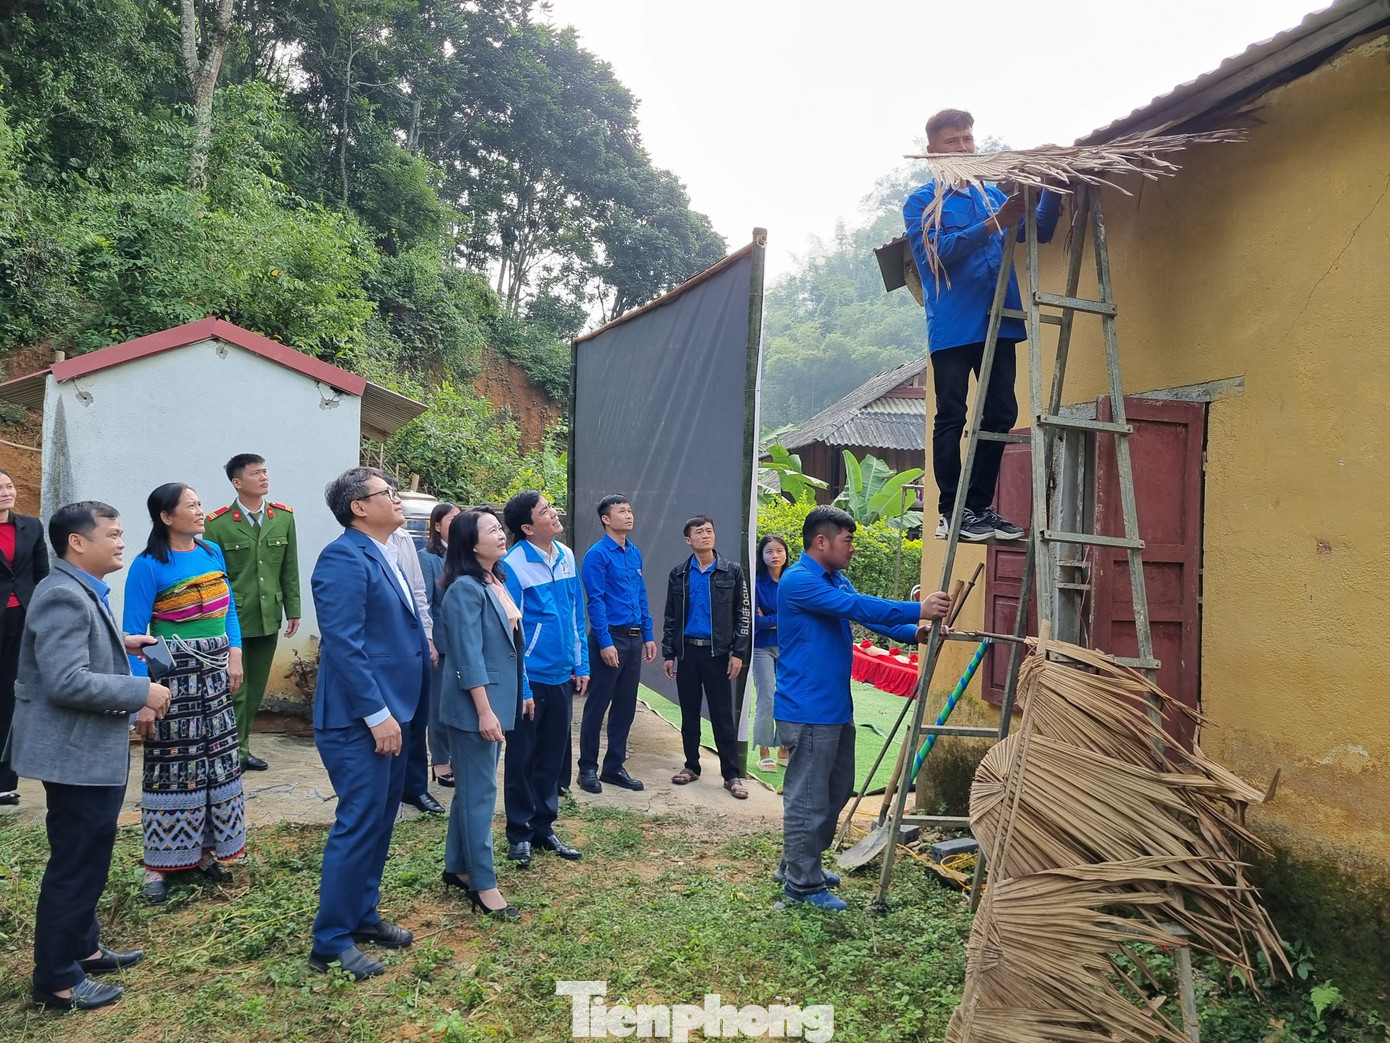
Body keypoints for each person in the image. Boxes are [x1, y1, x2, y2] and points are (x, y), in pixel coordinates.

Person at [9, 501, 170, 1010]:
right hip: (74, 753)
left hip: (88, 750)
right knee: (76, 863)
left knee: (91, 854)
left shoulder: (79, 590)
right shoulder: (63, 595)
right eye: (113, 533)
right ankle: (56, 978)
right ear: (77, 542)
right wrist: (138, 688)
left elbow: (74, 653)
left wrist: (122, 645)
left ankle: (83, 948)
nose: (122, 541)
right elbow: (64, 680)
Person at [776, 506, 952, 910]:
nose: (853, 548)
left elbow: (876, 621)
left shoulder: (836, 579)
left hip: (834, 707)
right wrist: (919, 607)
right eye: (848, 540)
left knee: (835, 789)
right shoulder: (799, 581)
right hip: (807, 710)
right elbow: (860, 609)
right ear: (821, 541)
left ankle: (799, 864)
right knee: (807, 798)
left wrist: (916, 632)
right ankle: (801, 885)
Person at [903, 107, 1061, 542]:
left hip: (1001, 318)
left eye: (968, 139)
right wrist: (996, 223)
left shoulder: (990, 195)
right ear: (932, 151)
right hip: (955, 325)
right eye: (953, 141)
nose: (963, 147)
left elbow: (1039, 230)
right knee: (952, 414)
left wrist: (1051, 184)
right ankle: (951, 511)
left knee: (1002, 413)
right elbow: (938, 253)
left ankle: (978, 508)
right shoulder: (921, 202)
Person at [309, 467, 428, 980]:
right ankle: (330, 940)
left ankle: (361, 914)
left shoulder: (386, 552)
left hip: (395, 712)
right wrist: (377, 714)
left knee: (380, 822)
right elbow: (345, 643)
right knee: (358, 823)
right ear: (359, 507)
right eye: (387, 493)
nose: (396, 499)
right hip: (362, 719)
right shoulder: (342, 557)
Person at [123, 483, 247, 905]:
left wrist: (235, 653)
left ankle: (204, 852)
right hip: (171, 678)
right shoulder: (147, 566)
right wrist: (144, 693)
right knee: (171, 764)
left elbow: (228, 610)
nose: (200, 511)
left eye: (199, 503)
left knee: (217, 761)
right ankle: (158, 862)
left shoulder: (211, 552)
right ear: (166, 517)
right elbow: (135, 635)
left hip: (215, 674)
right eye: (191, 505)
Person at [437, 508, 527, 919]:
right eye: (492, 530)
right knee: (481, 796)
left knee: (473, 791)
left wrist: (519, 691)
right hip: (476, 706)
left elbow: (508, 646)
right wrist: (485, 711)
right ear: (471, 543)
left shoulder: (495, 579)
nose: (501, 534)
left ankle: (457, 866)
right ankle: (484, 885)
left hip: (496, 700)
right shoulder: (464, 589)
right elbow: (467, 655)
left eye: (499, 528)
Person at [501, 490, 588, 866]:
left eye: (550, 507)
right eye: (544, 511)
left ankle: (544, 826)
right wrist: (520, 686)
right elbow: (510, 635)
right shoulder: (511, 566)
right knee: (522, 756)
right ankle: (518, 832)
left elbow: (575, 613)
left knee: (553, 755)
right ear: (526, 527)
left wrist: (580, 664)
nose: (553, 514)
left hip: (560, 674)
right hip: (530, 678)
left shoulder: (566, 556)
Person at [203, 454, 300, 773]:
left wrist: (293, 609)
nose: (263, 477)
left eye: (265, 471)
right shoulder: (216, 524)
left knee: (254, 690)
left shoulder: (283, 517)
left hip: (268, 615)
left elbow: (289, 567)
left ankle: (241, 749)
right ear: (237, 482)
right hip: (234, 618)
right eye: (255, 473)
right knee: (236, 690)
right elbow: (214, 576)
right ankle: (231, 750)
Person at [661, 515, 751, 799]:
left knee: (722, 715)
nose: (705, 535)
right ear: (688, 540)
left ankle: (731, 775)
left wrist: (738, 652)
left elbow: (743, 615)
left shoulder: (732, 572)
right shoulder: (678, 574)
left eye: (709, 531)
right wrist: (668, 653)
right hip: (688, 652)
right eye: (698, 532)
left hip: (719, 654)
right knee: (689, 713)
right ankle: (691, 766)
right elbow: (671, 617)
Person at [577, 495, 655, 794]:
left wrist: (648, 634)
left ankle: (613, 766)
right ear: (606, 519)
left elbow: (641, 595)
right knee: (597, 705)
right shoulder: (597, 555)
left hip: (634, 639)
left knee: (625, 706)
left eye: (630, 510)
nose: (629, 515)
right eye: (621, 511)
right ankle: (587, 768)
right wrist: (605, 642)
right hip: (610, 638)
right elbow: (594, 602)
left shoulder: (633, 552)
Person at [383, 476, 445, 816]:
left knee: (417, 718)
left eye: (395, 494)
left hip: (415, 641)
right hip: (385, 651)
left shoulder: (404, 538)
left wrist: (429, 639)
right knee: (391, 721)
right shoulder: (350, 550)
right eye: (388, 495)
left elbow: (418, 593)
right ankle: (388, 791)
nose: (396, 501)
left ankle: (415, 788)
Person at [0, 467, 49, 806]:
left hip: (24, 617)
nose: (6, 491)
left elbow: (42, 573)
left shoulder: (31, 526)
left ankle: (5, 781)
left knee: (12, 694)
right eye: (0, 487)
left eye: (9, 484)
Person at [417, 501, 460, 789]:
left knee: (461, 703)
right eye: (451, 518)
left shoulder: (467, 554)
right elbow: (426, 603)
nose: (457, 522)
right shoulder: (429, 557)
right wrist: (430, 641)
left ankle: (458, 756)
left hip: (465, 644)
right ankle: (441, 761)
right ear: (436, 525)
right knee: (439, 707)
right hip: (442, 642)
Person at [751, 534, 790, 772]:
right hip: (762, 647)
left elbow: (799, 616)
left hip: (789, 647)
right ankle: (764, 749)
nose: (774, 556)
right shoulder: (756, 583)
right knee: (766, 698)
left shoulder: (794, 581)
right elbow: (756, 622)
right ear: (762, 555)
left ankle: (785, 745)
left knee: (787, 695)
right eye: (769, 551)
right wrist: (778, 620)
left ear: (786, 554)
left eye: (779, 551)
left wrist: (772, 620)